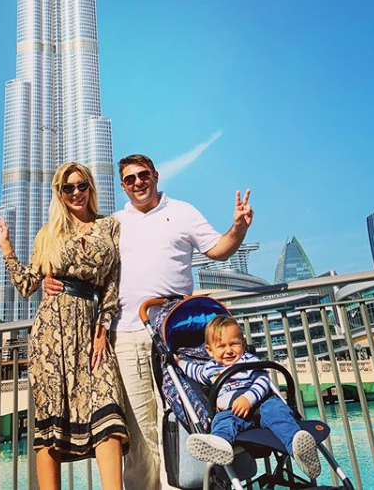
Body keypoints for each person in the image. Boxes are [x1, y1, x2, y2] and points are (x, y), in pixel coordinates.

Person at [45, 153, 253, 490]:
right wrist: (51, 279)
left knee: (182, 415)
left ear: (155, 176)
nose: (138, 183)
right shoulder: (112, 223)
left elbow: (218, 249)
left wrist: (239, 227)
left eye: (143, 175)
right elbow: (79, 258)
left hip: (177, 334)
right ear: (123, 186)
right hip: (127, 334)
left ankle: (185, 484)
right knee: (139, 428)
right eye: (130, 179)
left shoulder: (182, 212)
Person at [0, 162, 128, 490]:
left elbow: (112, 284)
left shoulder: (110, 226)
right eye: (68, 188)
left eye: (82, 185)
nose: (76, 192)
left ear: (91, 187)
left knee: (107, 409)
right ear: (60, 193)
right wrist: (7, 248)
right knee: (51, 420)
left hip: (91, 327)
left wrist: (102, 329)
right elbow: (27, 285)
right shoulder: (48, 233)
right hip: (51, 333)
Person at [178, 315, 321, 480]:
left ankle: (297, 447)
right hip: (233, 412)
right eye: (221, 346)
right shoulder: (208, 369)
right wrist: (178, 362)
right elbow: (194, 371)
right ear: (209, 350)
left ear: (243, 344)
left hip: (261, 405)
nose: (228, 350)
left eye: (234, 344)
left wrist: (248, 398)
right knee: (222, 421)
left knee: (277, 411)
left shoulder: (249, 361)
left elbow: (263, 380)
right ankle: (220, 444)